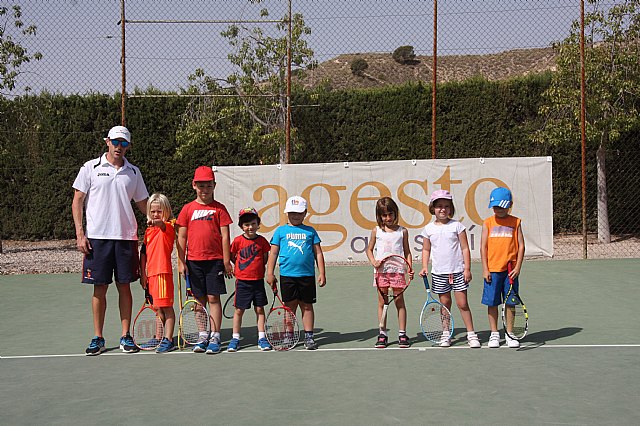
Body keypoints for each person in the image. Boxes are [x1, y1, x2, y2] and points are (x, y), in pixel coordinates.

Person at [72, 125, 149, 355]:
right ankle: (98, 337)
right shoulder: (90, 168)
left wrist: (159, 221)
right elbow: (77, 201)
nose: (119, 147)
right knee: (100, 288)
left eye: (124, 143)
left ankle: (126, 336)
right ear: (107, 141)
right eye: (116, 142)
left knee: (124, 286)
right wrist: (80, 233)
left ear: (128, 146)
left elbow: (143, 203)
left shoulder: (133, 172)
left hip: (126, 238)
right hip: (98, 239)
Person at [176, 166, 233, 354]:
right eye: (201, 186)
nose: (205, 190)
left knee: (213, 298)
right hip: (193, 262)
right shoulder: (187, 209)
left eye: (208, 186)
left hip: (215, 261)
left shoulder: (220, 209)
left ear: (214, 185)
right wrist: (181, 261)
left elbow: (225, 236)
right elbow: (181, 237)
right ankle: (203, 335)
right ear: (194, 185)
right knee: (198, 301)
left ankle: (215, 336)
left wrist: (226, 261)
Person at [419, 190, 480, 348]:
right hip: (439, 274)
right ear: (433, 208)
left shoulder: (457, 226)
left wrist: (467, 269)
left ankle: (471, 334)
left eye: (446, 206)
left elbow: (465, 248)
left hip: (458, 272)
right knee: (445, 304)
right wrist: (424, 266)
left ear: (451, 208)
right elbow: (426, 250)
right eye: (439, 206)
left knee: (462, 303)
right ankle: (446, 333)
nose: (443, 209)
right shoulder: (428, 229)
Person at [266, 196, 326, 350]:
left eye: (299, 212)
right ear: (287, 213)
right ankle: (288, 335)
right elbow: (273, 254)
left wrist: (322, 273)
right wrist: (270, 272)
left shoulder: (310, 231)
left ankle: (309, 336)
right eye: (292, 212)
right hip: (287, 276)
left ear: (305, 213)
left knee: (307, 306)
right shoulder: (280, 231)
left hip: (307, 276)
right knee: (289, 307)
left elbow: (318, 253)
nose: (295, 215)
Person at [480, 187, 525, 349]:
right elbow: (483, 247)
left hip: (510, 271)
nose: (498, 209)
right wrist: (485, 269)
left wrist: (518, 266)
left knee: (510, 302)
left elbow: (521, 246)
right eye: (495, 206)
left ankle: (509, 333)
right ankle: (494, 334)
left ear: (510, 205)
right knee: (492, 303)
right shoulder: (488, 223)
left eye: (502, 206)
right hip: (492, 270)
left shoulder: (516, 222)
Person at [365, 197, 413, 349]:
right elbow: (369, 250)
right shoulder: (376, 231)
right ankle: (382, 334)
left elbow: (407, 251)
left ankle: (402, 334)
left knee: (400, 303)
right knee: (382, 303)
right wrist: (373, 262)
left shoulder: (402, 231)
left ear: (395, 213)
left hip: (398, 272)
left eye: (390, 214)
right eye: (384, 215)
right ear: (379, 216)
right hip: (381, 273)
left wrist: (409, 267)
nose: (388, 218)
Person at [228, 207, 273, 352]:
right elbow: (232, 256)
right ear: (241, 226)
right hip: (242, 282)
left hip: (258, 281)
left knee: (260, 309)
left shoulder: (262, 241)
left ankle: (261, 337)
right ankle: (235, 338)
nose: (250, 227)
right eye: (246, 225)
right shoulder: (237, 241)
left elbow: (265, 258)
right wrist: (240, 269)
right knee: (239, 310)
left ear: (258, 224)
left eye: (253, 223)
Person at [139, 193, 176, 353]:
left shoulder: (168, 227)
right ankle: (158, 336)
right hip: (152, 275)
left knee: (166, 307)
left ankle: (168, 339)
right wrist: (143, 274)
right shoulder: (148, 231)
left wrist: (157, 222)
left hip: (163, 274)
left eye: (159, 211)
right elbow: (144, 253)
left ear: (166, 211)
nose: (155, 215)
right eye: (152, 211)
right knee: (157, 308)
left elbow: (161, 225)